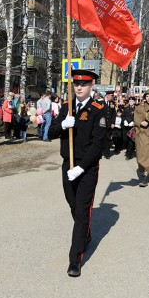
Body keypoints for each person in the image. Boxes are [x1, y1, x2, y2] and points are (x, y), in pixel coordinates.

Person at [48, 69, 106, 278]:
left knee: (82, 212)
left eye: (84, 84)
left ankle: (75, 259)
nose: (79, 87)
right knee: (73, 205)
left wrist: (81, 168)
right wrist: (63, 124)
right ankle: (86, 234)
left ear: (91, 86)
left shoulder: (98, 109)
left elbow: (98, 143)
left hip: (87, 168)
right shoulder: (66, 107)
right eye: (76, 84)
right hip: (67, 164)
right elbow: (51, 132)